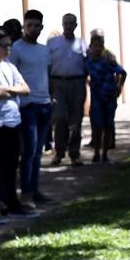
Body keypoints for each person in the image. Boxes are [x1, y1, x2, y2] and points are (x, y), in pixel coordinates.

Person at [0, 27, 39, 223]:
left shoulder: (8, 65)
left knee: (11, 165)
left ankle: (11, 204)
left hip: (14, 120)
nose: (8, 49)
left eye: (9, 45)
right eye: (4, 45)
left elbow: (26, 89)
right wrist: (13, 90)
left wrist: (8, 90)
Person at [8, 10, 53, 207]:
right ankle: (26, 192)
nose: (33, 29)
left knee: (38, 152)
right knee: (29, 151)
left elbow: (48, 74)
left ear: (42, 27)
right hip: (27, 106)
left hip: (45, 104)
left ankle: (34, 190)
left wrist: (52, 97)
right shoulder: (16, 49)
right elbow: (10, 76)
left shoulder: (44, 50)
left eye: (36, 26)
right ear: (24, 27)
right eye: (29, 25)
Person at [46, 12, 88, 166]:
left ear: (76, 25)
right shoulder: (53, 43)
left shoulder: (82, 44)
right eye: (66, 23)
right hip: (58, 84)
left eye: (71, 23)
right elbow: (47, 65)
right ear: (62, 24)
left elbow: (89, 63)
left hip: (77, 83)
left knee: (76, 120)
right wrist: (49, 87)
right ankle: (59, 153)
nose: (68, 26)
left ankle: (74, 154)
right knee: (59, 118)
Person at [85, 29, 127, 163]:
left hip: (109, 97)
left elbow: (123, 72)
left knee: (108, 126)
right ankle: (96, 153)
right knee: (97, 126)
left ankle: (105, 154)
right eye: (95, 46)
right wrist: (88, 81)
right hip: (96, 99)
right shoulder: (88, 61)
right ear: (90, 47)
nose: (97, 49)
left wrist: (119, 87)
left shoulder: (108, 60)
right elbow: (83, 72)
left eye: (100, 46)